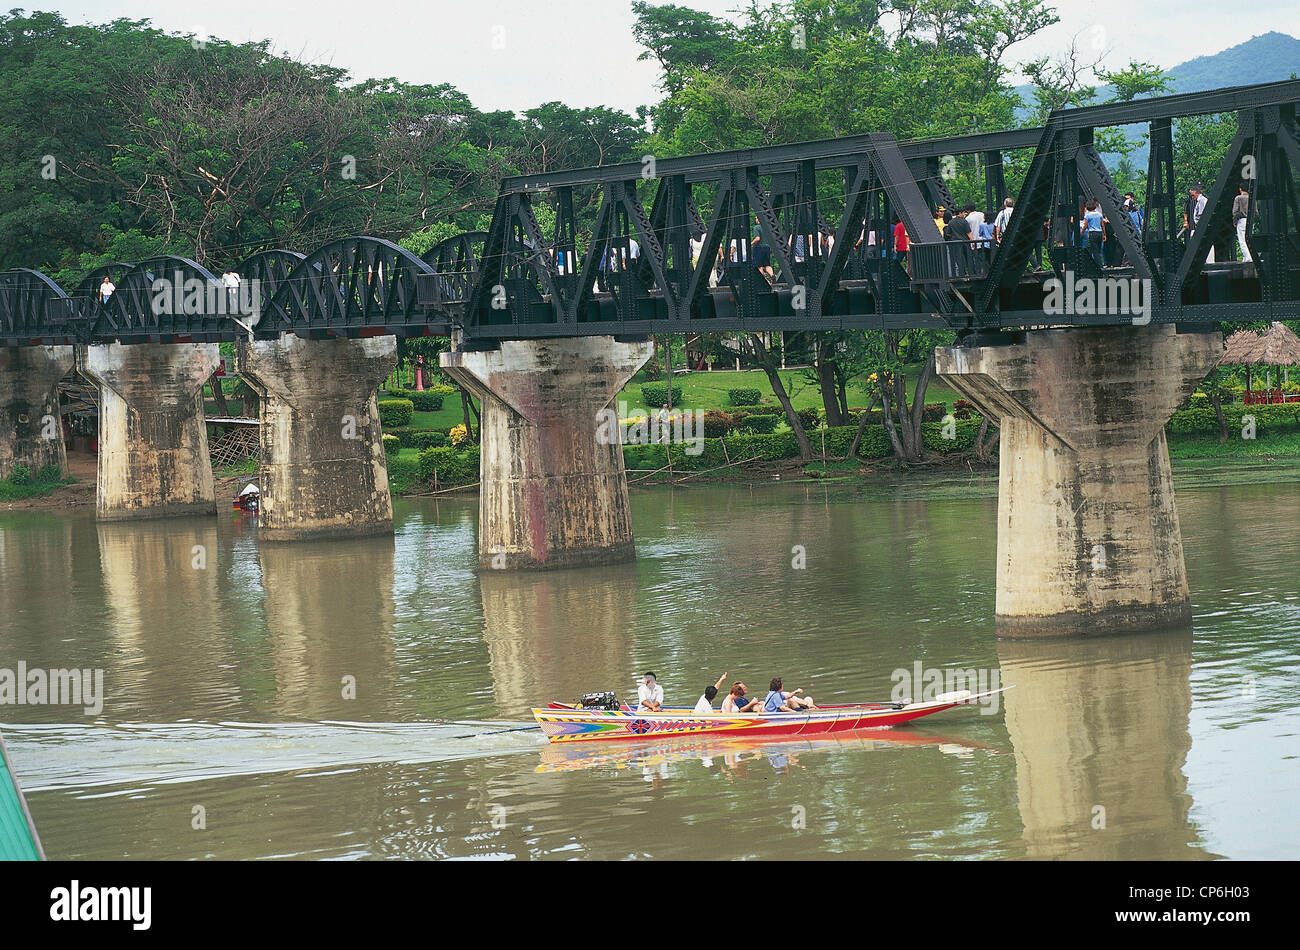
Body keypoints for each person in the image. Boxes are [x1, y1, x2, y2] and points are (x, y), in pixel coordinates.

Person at [1080, 199, 1105, 268]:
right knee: (1099, 250)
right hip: (1099, 233)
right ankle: (1101, 263)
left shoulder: (1087, 215)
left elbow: (1085, 225)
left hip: (1092, 233)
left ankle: (1098, 266)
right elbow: (1102, 225)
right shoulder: (1099, 214)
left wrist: (1081, 232)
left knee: (1095, 250)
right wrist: (1104, 234)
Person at [1232, 185, 1252, 263]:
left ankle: (1248, 258)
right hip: (1250, 221)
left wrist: (1234, 221)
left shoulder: (1238, 198)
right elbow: (1256, 212)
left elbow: (1235, 211)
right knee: (1249, 240)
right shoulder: (1251, 198)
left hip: (1242, 220)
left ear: (1240, 189)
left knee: (1242, 240)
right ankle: (1248, 257)